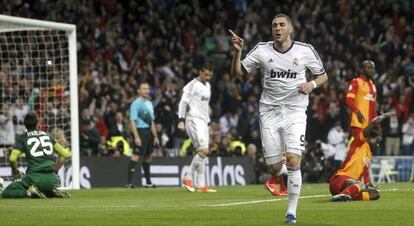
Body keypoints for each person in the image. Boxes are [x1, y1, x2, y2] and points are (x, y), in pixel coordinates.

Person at [229, 13, 328, 224]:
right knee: (274, 168)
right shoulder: (261, 50)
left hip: (295, 110)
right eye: (274, 25)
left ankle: (291, 212)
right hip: (269, 112)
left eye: (282, 25)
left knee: (293, 159)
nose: (278, 28)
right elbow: (237, 74)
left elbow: (323, 75)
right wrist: (237, 53)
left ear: (291, 29)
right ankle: (285, 175)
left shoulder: (305, 50)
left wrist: (311, 85)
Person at [1, 112, 71, 198]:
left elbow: (12, 159)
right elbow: (65, 154)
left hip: (34, 178)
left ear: (25, 124)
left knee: (7, 192)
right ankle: (50, 192)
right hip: (52, 179)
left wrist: (15, 171)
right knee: (44, 185)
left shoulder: (23, 138)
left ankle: (30, 193)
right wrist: (56, 168)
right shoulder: (47, 135)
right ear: (37, 123)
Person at [329, 112, 394, 202]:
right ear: (369, 138)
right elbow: (373, 123)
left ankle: (344, 195)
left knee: (375, 194)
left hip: (351, 185)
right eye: (376, 142)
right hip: (340, 180)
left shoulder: (369, 155)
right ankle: (345, 194)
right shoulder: (359, 142)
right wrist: (385, 116)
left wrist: (370, 186)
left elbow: (366, 178)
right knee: (359, 184)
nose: (377, 145)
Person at [178, 63, 216, 193]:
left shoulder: (208, 86)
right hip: (193, 119)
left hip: (204, 122)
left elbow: (205, 107)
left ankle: (200, 185)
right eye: (205, 74)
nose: (207, 77)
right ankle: (187, 177)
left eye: (210, 75)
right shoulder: (192, 85)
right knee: (204, 150)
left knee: (201, 152)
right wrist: (181, 120)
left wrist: (209, 123)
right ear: (200, 72)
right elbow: (183, 102)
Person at [126, 81, 159, 188]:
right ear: (138, 91)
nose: (146, 91)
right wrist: (136, 137)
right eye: (144, 89)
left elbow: (152, 121)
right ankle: (129, 183)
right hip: (140, 131)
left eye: (147, 89)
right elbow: (132, 121)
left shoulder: (149, 104)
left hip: (149, 133)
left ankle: (148, 182)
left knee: (148, 156)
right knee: (136, 156)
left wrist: (155, 136)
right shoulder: (136, 104)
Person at [346, 60, 378, 138]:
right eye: (369, 68)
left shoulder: (373, 86)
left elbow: (374, 108)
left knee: (367, 150)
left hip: (370, 125)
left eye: (373, 68)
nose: (372, 70)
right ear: (362, 69)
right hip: (358, 123)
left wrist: (378, 126)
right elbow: (349, 100)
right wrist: (358, 112)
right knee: (358, 148)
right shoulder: (356, 82)